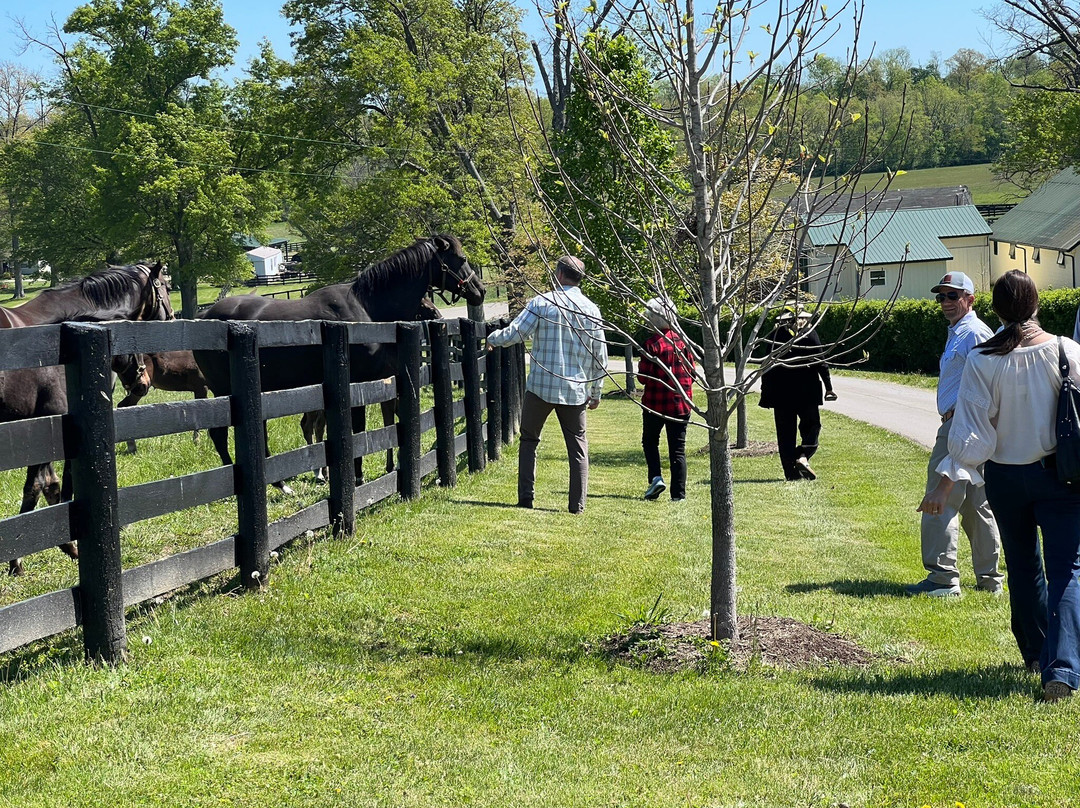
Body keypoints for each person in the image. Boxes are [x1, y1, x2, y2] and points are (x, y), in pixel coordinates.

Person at [920, 270, 1080, 702]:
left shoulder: (982, 359)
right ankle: (1062, 668)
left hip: (1006, 478)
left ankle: (1036, 655)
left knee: (1024, 567)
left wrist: (945, 481)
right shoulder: (1066, 350)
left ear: (996, 310)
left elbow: (971, 434)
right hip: (1060, 476)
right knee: (1067, 570)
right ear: (1037, 305)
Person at [906, 272, 1003, 599]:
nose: (946, 302)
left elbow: (988, 384)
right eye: (941, 296)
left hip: (962, 425)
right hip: (967, 425)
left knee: (940, 498)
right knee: (976, 504)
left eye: (953, 296)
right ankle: (990, 580)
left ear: (970, 299)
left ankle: (942, 579)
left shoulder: (974, 333)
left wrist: (967, 425)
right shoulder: (960, 332)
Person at [486, 255, 608, 513]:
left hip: (541, 387)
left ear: (560, 274)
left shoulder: (542, 302)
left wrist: (492, 338)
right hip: (575, 390)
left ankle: (526, 498)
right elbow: (600, 356)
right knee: (578, 448)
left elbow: (517, 332)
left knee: (529, 440)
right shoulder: (591, 310)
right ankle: (577, 505)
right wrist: (596, 392)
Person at [758, 306, 837, 481]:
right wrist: (829, 387)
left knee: (785, 434)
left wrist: (766, 393)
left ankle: (791, 474)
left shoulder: (775, 336)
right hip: (807, 392)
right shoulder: (809, 334)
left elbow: (766, 365)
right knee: (812, 426)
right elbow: (820, 361)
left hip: (781, 394)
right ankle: (803, 454)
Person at [637, 297, 695, 501]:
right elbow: (692, 373)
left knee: (650, 441)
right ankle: (678, 495)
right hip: (681, 404)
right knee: (678, 450)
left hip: (655, 403)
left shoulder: (651, 344)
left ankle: (656, 478)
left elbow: (643, 378)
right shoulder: (683, 342)